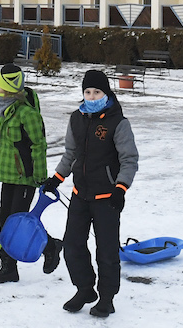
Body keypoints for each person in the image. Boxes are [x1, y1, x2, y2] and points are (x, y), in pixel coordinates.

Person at [40, 69, 139, 318]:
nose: (92, 96)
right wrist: (57, 178)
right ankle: (85, 289)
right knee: (73, 245)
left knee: (106, 250)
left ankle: (107, 298)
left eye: (97, 92)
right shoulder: (77, 118)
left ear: (106, 93)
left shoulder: (118, 122)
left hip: (107, 198)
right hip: (80, 194)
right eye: (87, 92)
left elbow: (129, 159)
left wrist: (121, 188)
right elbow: (70, 154)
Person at [0, 63, 63, 284]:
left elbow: (39, 145)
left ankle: (50, 246)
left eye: (0, 89)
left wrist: (40, 177)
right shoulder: (7, 111)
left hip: (26, 177)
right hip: (8, 174)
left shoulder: (27, 114)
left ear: (9, 90)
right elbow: (8, 139)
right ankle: (9, 267)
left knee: (20, 222)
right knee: (3, 219)